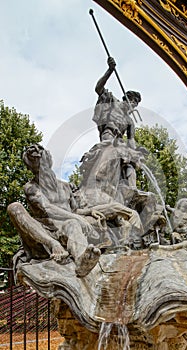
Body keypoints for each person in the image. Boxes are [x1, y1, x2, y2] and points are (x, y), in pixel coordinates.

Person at [7, 144, 110, 277]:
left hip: (64, 229)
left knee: (72, 223)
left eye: (43, 164)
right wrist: (76, 219)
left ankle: (81, 261)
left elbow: (75, 210)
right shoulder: (31, 187)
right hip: (42, 233)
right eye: (36, 167)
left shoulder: (65, 186)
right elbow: (47, 208)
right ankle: (53, 245)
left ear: (49, 163)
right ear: (31, 168)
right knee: (14, 207)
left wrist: (89, 212)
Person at [93, 57, 141, 149]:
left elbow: (131, 141)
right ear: (128, 99)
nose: (134, 105)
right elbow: (98, 88)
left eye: (136, 104)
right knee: (108, 148)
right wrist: (110, 70)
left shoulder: (130, 121)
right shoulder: (112, 101)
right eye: (134, 101)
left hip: (119, 141)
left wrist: (134, 154)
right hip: (109, 133)